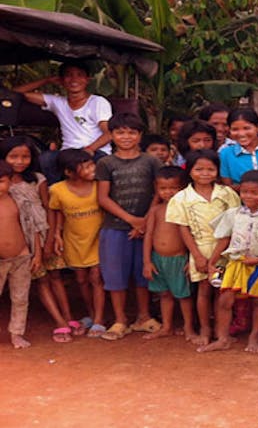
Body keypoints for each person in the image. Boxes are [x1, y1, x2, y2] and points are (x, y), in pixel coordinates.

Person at [199, 170, 258, 353]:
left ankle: (254, 336)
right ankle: (223, 338)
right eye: (244, 192)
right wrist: (212, 261)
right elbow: (224, 239)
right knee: (225, 300)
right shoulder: (233, 214)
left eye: (254, 192)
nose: (248, 196)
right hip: (235, 263)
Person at [95, 113, 163, 340]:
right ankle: (120, 320)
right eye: (120, 132)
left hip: (147, 228)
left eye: (132, 132)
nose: (126, 137)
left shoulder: (151, 161)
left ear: (140, 135)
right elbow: (103, 198)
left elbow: (158, 193)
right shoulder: (105, 163)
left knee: (143, 274)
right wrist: (131, 220)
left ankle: (143, 317)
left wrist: (144, 221)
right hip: (114, 227)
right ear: (111, 135)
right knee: (115, 276)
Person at [166, 149, 241, 345]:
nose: (205, 173)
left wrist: (219, 254)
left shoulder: (227, 194)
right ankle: (205, 329)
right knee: (204, 289)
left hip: (225, 248)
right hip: (199, 248)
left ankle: (220, 330)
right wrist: (197, 256)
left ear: (217, 170)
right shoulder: (181, 198)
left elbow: (233, 225)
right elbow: (183, 230)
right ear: (189, 171)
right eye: (199, 169)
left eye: (210, 169)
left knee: (223, 290)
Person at [2, 137, 71, 343]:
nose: (20, 161)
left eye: (25, 156)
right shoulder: (4, 185)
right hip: (24, 241)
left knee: (55, 277)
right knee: (41, 280)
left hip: (43, 234)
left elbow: (48, 208)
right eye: (13, 156)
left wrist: (50, 238)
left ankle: (68, 318)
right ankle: (59, 321)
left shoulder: (37, 179)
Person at [14, 61, 113, 182]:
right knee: (46, 158)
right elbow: (15, 93)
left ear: (87, 79)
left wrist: (89, 149)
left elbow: (109, 133)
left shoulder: (98, 102)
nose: (74, 79)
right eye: (69, 75)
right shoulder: (57, 102)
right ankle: (56, 192)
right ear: (61, 80)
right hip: (68, 152)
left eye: (79, 75)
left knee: (90, 164)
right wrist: (47, 80)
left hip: (96, 151)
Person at [48, 149, 106, 338]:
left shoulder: (99, 185)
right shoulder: (57, 189)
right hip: (73, 240)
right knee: (81, 279)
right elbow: (56, 211)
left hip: (97, 238)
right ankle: (90, 313)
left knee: (96, 278)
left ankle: (99, 319)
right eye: (86, 166)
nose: (92, 169)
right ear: (69, 172)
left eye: (91, 164)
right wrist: (56, 233)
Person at [142, 167, 198, 341]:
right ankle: (166, 326)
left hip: (179, 259)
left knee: (183, 295)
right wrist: (147, 262)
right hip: (158, 259)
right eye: (163, 188)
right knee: (164, 294)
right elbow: (148, 235)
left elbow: (193, 235)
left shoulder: (187, 209)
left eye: (173, 188)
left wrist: (192, 259)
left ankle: (188, 328)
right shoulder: (155, 210)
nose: (168, 192)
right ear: (156, 189)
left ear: (183, 188)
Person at [0, 160, 40, 348]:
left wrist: (36, 254)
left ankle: (16, 333)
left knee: (20, 298)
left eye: (1, 181)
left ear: (10, 181)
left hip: (21, 256)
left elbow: (34, 227)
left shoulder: (18, 199)